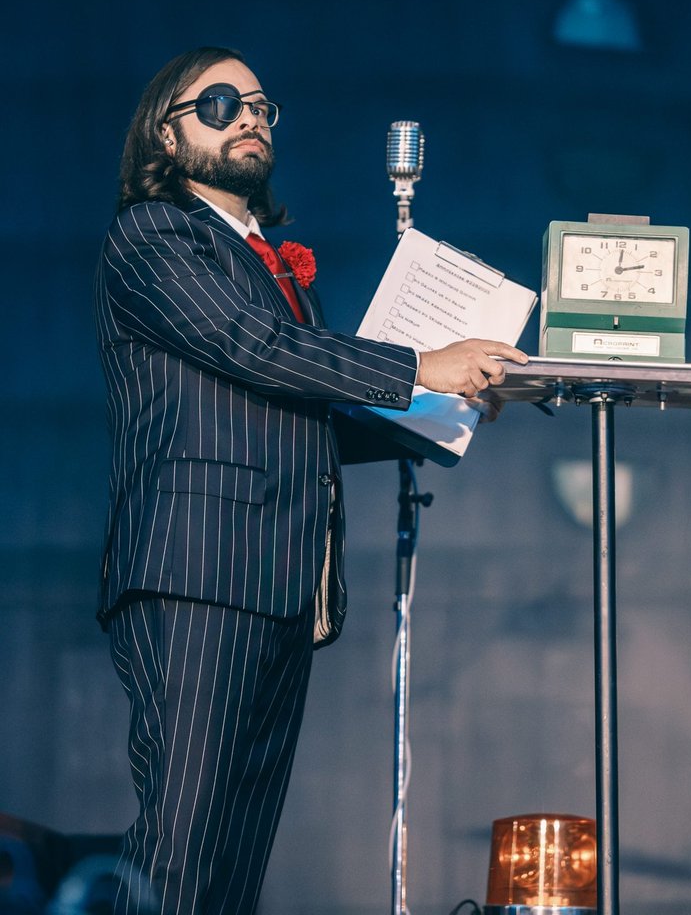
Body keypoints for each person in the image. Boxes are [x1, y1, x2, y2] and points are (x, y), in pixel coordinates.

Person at [94, 45, 527, 915]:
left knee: (233, 858)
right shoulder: (153, 234)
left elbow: (299, 409)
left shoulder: (267, 259)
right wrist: (422, 366)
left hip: (280, 581)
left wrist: (443, 413)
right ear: (166, 136)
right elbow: (252, 348)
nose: (249, 114)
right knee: (180, 846)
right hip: (196, 576)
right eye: (218, 104)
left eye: (258, 104)